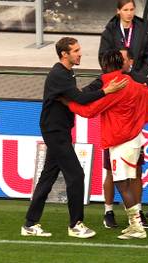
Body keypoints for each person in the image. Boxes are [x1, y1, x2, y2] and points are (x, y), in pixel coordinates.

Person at [20, 37, 126, 238]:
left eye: (79, 49)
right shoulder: (59, 74)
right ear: (64, 54)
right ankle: (75, 224)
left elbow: (78, 93)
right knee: (76, 176)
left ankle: (30, 223)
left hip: (58, 130)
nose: (80, 53)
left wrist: (101, 81)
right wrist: (106, 90)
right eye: (76, 50)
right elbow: (80, 99)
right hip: (55, 132)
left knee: (48, 177)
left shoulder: (66, 72)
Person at [65, 50, 148, 240]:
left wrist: (67, 102)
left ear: (104, 65)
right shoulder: (134, 84)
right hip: (134, 138)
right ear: (122, 64)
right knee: (130, 180)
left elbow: (90, 111)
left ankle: (137, 226)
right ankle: (135, 223)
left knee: (122, 183)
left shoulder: (114, 85)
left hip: (120, 140)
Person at [99, 48, 148, 229]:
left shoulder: (138, 80)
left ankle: (137, 214)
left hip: (132, 136)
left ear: (130, 61)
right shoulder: (106, 80)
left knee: (135, 173)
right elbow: (91, 95)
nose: (121, 62)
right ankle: (109, 211)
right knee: (111, 174)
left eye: (124, 59)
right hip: (117, 136)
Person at [99, 0, 148, 82]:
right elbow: (103, 57)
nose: (129, 13)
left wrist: (141, 77)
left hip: (138, 79)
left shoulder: (143, 30)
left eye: (131, 9)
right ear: (118, 11)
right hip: (115, 79)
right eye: (125, 10)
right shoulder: (110, 31)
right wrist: (114, 76)